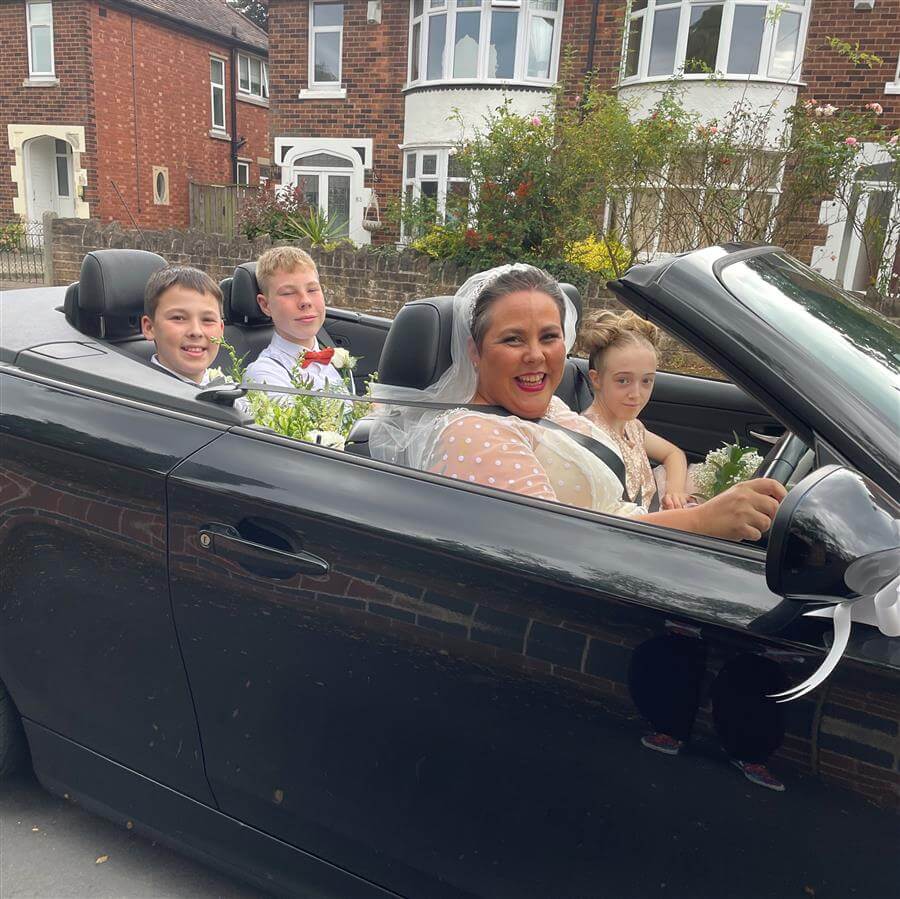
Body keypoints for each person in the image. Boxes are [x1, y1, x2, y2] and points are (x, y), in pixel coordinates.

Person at [370, 264, 785, 541]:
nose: (536, 355)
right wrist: (700, 521)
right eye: (513, 339)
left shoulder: (547, 407)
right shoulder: (473, 434)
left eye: (549, 337)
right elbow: (559, 548)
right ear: (475, 352)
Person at [580, 310, 696, 511]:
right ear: (596, 379)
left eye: (646, 381)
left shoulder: (633, 427)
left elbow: (674, 453)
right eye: (623, 380)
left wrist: (674, 492)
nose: (636, 394)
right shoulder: (590, 436)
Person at [245, 246, 351, 393]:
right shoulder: (264, 374)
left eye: (312, 289)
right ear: (265, 305)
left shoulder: (333, 359)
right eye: (288, 293)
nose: (305, 301)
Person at [140, 266, 225, 386]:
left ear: (221, 329)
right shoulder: (136, 395)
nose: (196, 331)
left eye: (207, 319)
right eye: (178, 318)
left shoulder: (230, 389)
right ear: (149, 327)